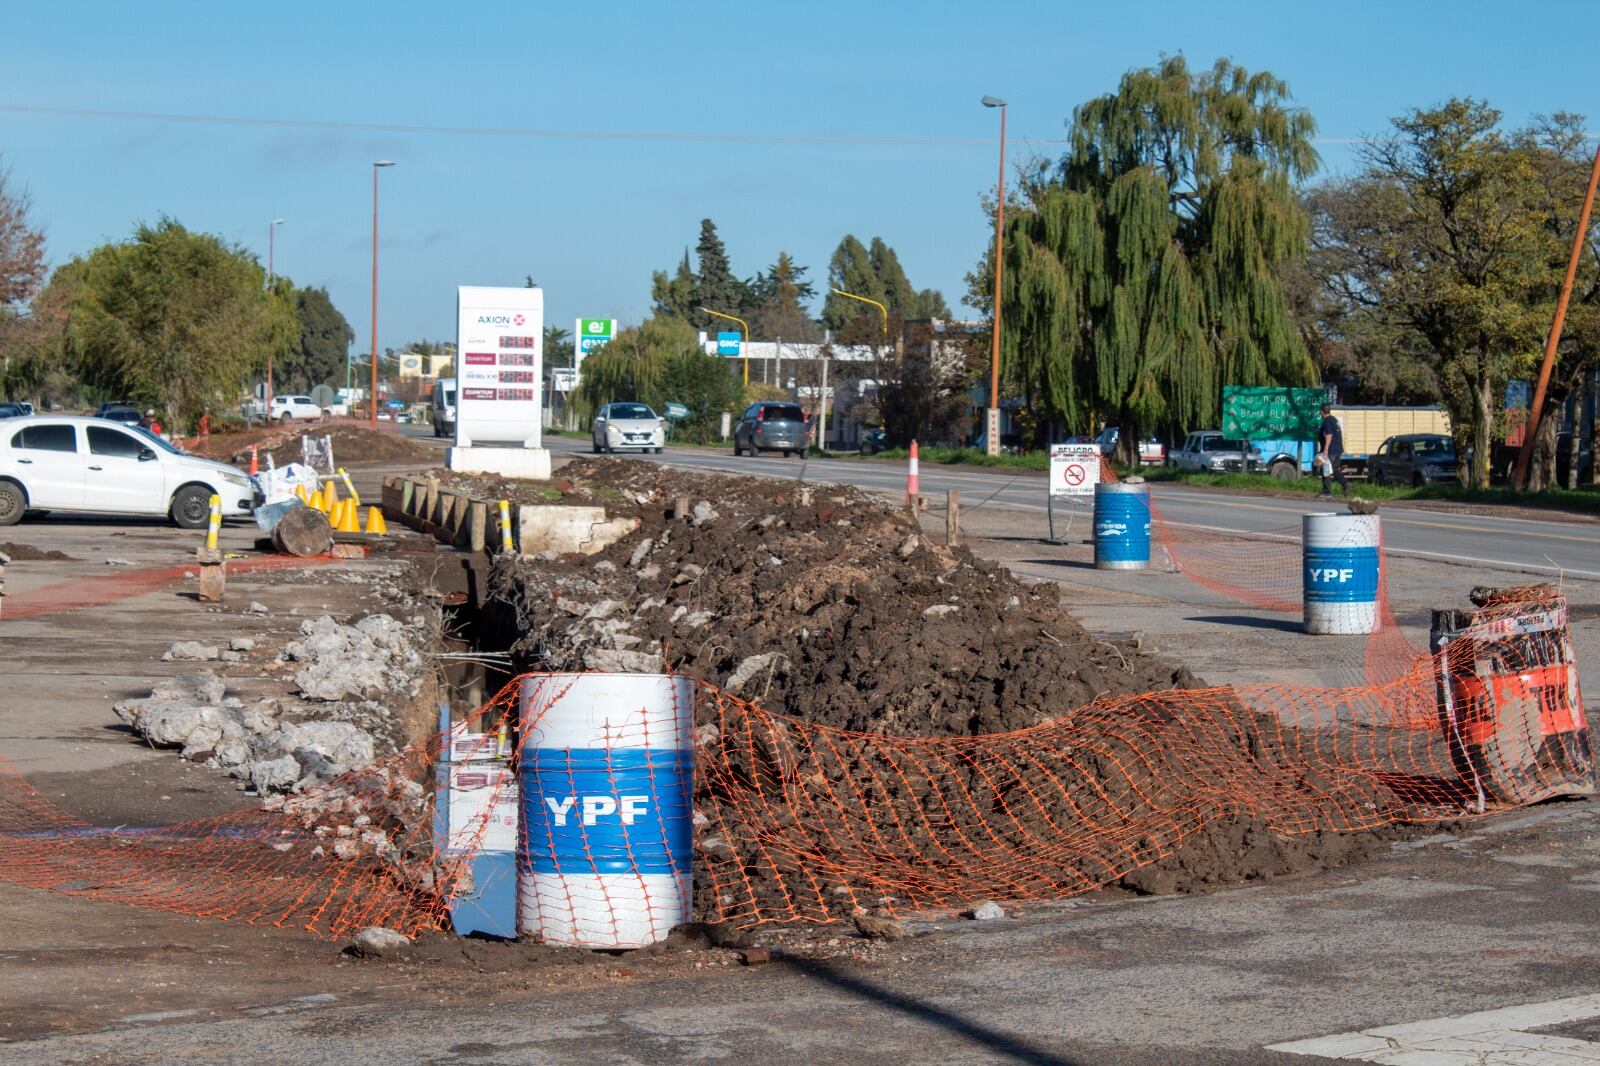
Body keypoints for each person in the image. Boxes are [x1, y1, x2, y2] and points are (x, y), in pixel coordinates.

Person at [1317, 403, 1348, 497]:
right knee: (1335, 470)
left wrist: (1326, 449)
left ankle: (1327, 492)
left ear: (1322, 412)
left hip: (1331, 450)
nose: (1320, 413)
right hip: (1338, 449)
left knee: (1325, 469)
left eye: (1320, 412)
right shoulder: (1334, 420)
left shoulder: (1327, 421)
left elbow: (1329, 435)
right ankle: (1346, 485)